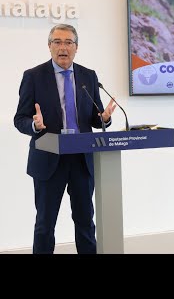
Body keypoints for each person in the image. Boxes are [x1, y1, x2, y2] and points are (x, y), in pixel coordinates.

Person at [13, 24, 117, 254]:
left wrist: (104, 119)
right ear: (49, 46)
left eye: (68, 42)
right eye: (57, 42)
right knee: (44, 226)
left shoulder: (88, 76)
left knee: (85, 224)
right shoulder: (33, 76)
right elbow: (19, 118)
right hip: (49, 159)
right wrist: (34, 125)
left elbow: (95, 116)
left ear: (76, 47)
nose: (63, 47)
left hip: (81, 160)